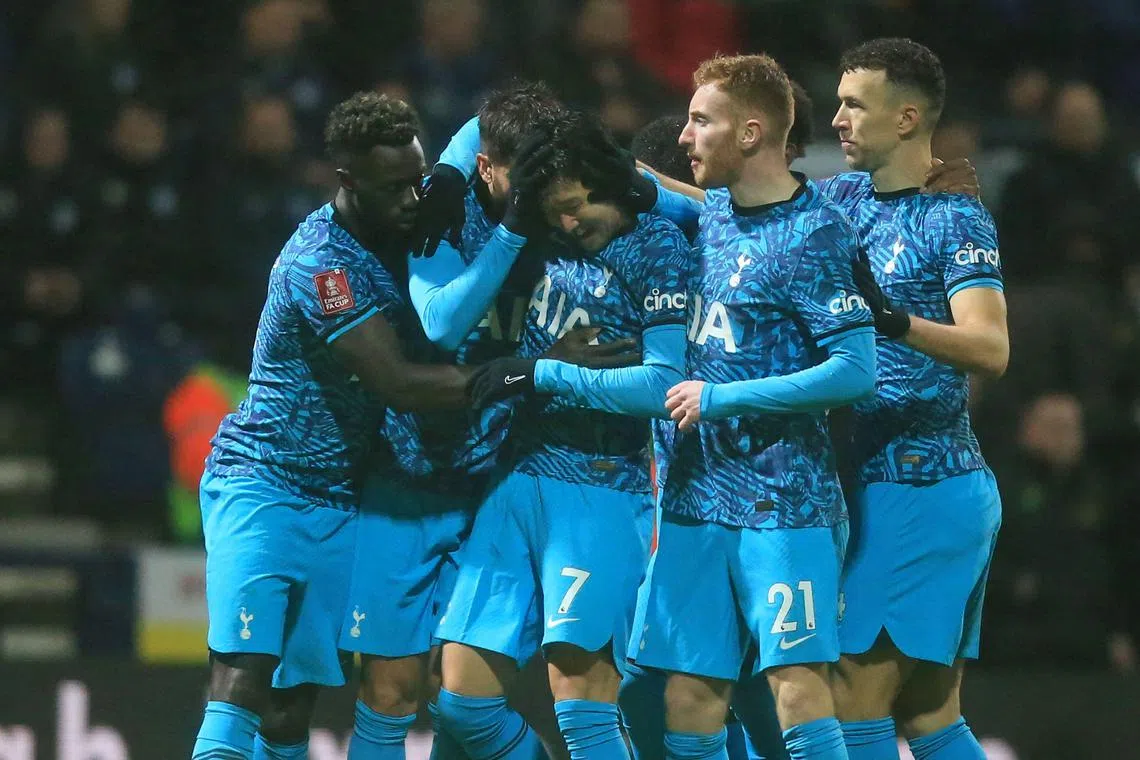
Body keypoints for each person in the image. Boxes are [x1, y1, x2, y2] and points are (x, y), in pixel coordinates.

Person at [191, 92, 475, 760]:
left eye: (419, 179)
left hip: (343, 499)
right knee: (241, 680)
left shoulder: (415, 230)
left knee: (292, 711)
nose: (412, 199)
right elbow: (397, 383)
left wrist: (452, 177)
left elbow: (481, 128)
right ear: (347, 183)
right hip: (263, 486)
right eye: (394, 188)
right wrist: (533, 373)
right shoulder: (319, 263)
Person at [611, 53, 876, 760]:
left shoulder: (815, 234)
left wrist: (721, 397)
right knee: (691, 697)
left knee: (797, 686)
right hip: (697, 499)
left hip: (784, 502)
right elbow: (644, 185)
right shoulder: (716, 212)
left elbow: (856, 370)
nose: (686, 135)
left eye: (702, 120)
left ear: (752, 133)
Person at [418, 108, 690, 760]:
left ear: (610, 186)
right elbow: (496, 115)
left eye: (574, 208)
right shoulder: (549, 230)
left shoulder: (658, 246)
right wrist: (453, 172)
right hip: (518, 476)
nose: (565, 223)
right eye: (554, 210)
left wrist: (543, 374)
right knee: (460, 698)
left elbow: (663, 385)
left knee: (583, 706)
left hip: (600, 485)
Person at [819, 38, 1008, 760]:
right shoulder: (841, 198)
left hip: (922, 486)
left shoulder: (953, 219)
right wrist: (639, 181)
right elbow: (725, 208)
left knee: (851, 697)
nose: (836, 117)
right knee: (930, 717)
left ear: (904, 119)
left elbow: (991, 349)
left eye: (852, 104)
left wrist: (896, 322)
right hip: (888, 484)